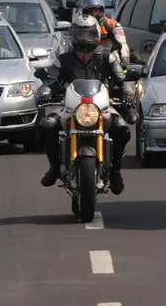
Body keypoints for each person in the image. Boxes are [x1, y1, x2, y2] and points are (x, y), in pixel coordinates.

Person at [39, 14, 131, 195]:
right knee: (46, 125)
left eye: (88, 34)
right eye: (80, 34)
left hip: (103, 107)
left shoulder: (108, 58)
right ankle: (55, 167)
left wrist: (127, 92)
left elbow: (123, 79)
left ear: (96, 34)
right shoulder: (63, 59)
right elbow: (50, 79)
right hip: (69, 108)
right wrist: (45, 90)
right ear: (73, 35)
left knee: (122, 128)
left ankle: (115, 172)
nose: (84, 38)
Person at [79, 0, 137, 124]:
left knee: (124, 70)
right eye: (90, 11)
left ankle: (129, 103)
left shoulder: (112, 25)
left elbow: (122, 44)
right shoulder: (78, 25)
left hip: (108, 57)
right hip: (86, 58)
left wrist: (124, 59)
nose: (94, 14)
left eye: (97, 10)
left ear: (102, 11)